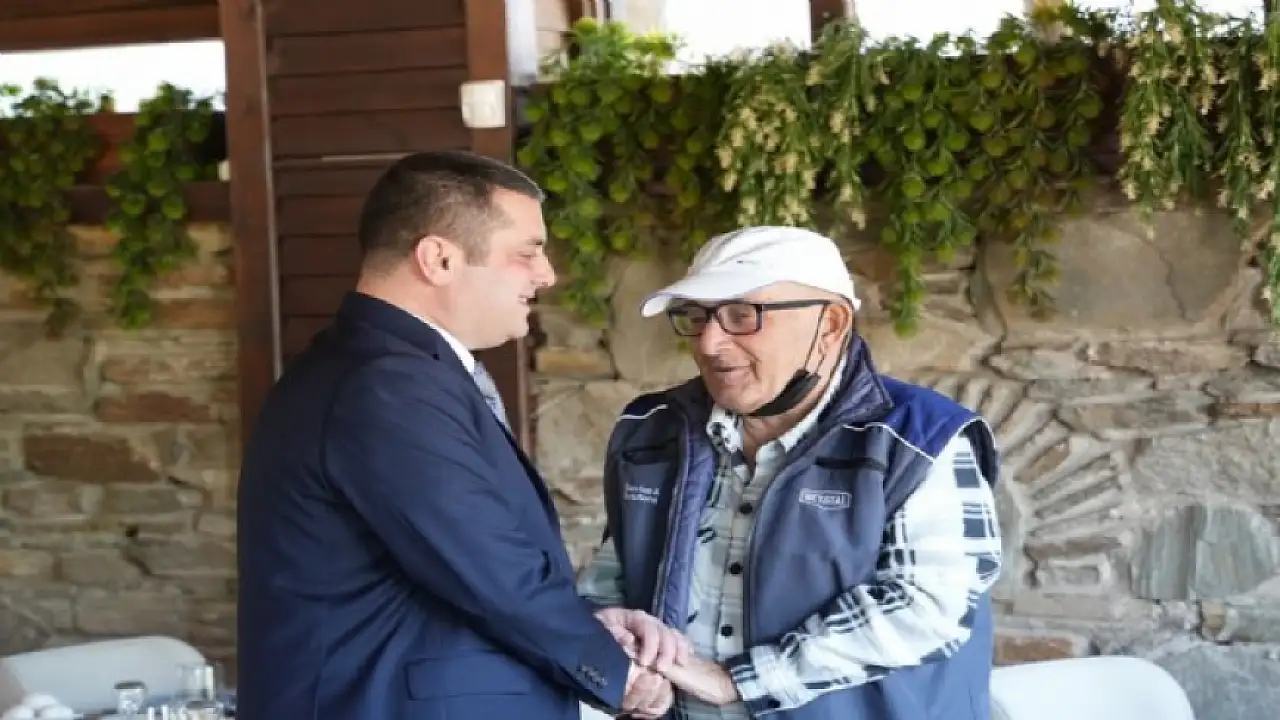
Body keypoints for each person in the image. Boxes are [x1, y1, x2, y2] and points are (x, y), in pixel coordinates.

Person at [236, 150, 688, 720]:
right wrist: (617, 674)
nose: (547, 274)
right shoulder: (385, 383)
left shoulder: (386, 370)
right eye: (527, 253)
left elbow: (444, 578)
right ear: (439, 259)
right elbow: (489, 569)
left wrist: (588, 624)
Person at [577, 225, 1004, 719]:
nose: (709, 343)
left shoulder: (921, 438)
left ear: (831, 324)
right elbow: (608, 586)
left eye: (743, 315)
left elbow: (927, 608)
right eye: (696, 316)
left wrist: (738, 681)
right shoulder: (650, 428)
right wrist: (621, 653)